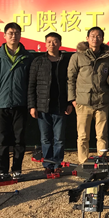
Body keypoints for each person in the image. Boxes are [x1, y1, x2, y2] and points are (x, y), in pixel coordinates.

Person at [0, 23, 32, 178]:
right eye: (10, 33)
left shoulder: (26, 57)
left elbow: (31, 82)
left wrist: (30, 103)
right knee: (2, 139)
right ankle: (3, 170)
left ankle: (17, 169)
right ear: (4, 35)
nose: (13, 36)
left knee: (19, 140)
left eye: (17, 33)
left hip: (20, 103)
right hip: (1, 104)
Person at [68, 26, 109, 164]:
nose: (95, 38)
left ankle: (102, 161)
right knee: (83, 136)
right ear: (87, 38)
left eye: (98, 36)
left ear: (103, 39)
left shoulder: (108, 58)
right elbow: (71, 79)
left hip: (102, 102)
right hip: (83, 102)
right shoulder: (77, 56)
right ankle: (84, 162)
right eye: (93, 36)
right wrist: (72, 99)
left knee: (102, 135)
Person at [28, 32, 72, 174]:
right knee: (45, 138)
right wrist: (32, 106)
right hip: (42, 106)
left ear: (60, 43)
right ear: (45, 44)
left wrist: (69, 103)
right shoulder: (38, 61)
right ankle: (48, 164)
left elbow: (70, 83)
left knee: (59, 139)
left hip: (60, 105)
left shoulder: (66, 61)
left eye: (55, 41)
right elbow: (31, 85)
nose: (52, 44)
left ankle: (57, 164)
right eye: (49, 42)